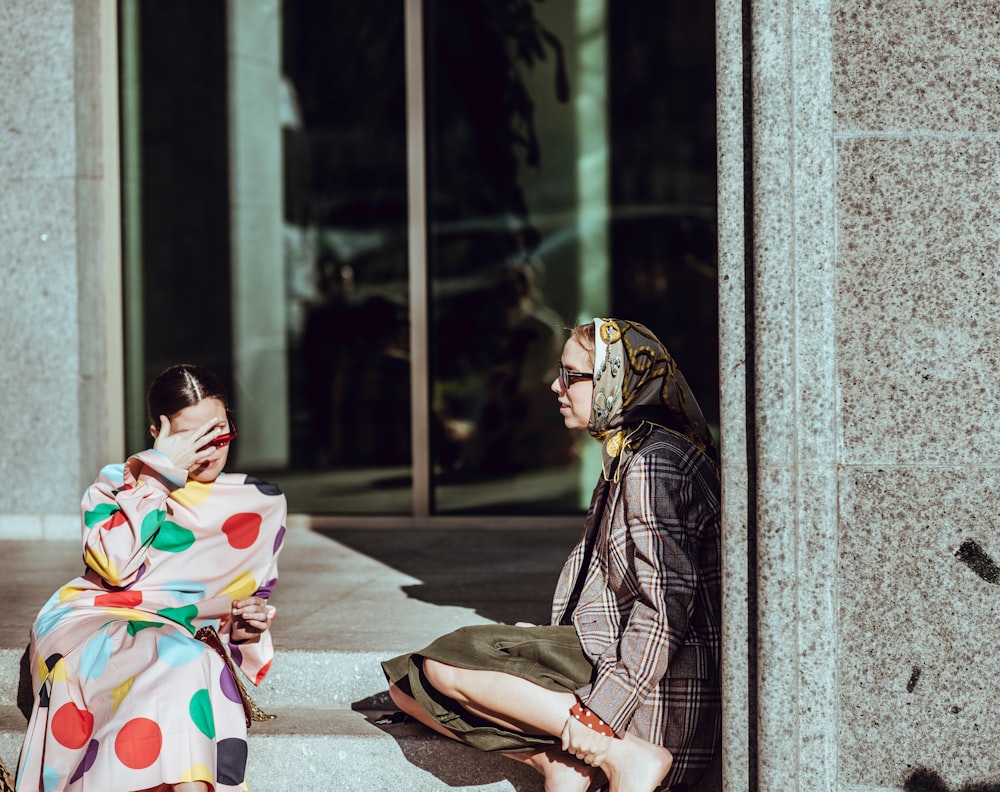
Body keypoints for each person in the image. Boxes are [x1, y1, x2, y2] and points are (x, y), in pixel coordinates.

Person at [383, 318, 721, 792]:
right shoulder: (629, 452)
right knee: (406, 686)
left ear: (615, 381)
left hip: (656, 695)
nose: (555, 385)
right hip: (601, 650)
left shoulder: (653, 463)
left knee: (445, 663)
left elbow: (665, 610)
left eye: (571, 375)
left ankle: (623, 755)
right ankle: (552, 763)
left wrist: (599, 715)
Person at [16, 364, 287, 792]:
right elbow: (115, 567)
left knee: (184, 657)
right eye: (190, 439)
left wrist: (246, 628)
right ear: (157, 433)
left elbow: (234, 616)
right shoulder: (119, 482)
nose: (209, 450)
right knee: (174, 653)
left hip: (179, 639)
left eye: (219, 434)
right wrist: (158, 476)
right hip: (95, 618)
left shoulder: (261, 504)